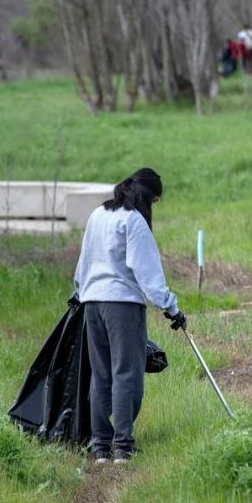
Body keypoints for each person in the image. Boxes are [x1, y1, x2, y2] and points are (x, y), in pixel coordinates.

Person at [73, 168, 185, 465]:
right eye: (156, 201)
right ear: (148, 196)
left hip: (92, 302)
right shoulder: (134, 221)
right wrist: (171, 308)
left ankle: (100, 447)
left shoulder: (98, 215)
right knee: (125, 373)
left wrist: (79, 291)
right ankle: (122, 447)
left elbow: (84, 260)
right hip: (121, 305)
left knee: (101, 374)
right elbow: (147, 274)